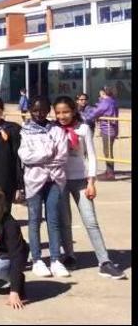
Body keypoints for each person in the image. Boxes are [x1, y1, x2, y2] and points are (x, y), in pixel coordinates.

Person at [53, 96, 125, 279]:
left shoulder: (83, 128)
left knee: (91, 221)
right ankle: (69, 255)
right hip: (59, 181)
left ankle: (104, 261)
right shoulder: (52, 129)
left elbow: (91, 156)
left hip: (81, 181)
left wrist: (91, 182)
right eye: (58, 112)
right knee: (64, 221)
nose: (62, 116)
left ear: (74, 111)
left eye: (66, 112)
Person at [19, 96, 69, 279]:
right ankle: (37, 260)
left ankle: (56, 259)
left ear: (49, 110)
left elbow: (62, 156)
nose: (39, 113)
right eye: (35, 109)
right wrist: (48, 152)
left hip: (54, 181)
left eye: (43, 109)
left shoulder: (56, 130)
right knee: (34, 220)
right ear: (29, 109)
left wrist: (40, 158)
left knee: (53, 220)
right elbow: (25, 156)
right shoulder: (24, 131)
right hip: (33, 182)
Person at [82, 86, 120, 180]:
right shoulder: (112, 101)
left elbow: (96, 112)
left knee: (108, 152)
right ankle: (108, 171)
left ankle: (110, 173)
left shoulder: (105, 103)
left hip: (108, 129)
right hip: (112, 129)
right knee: (108, 151)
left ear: (103, 93)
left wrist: (84, 118)